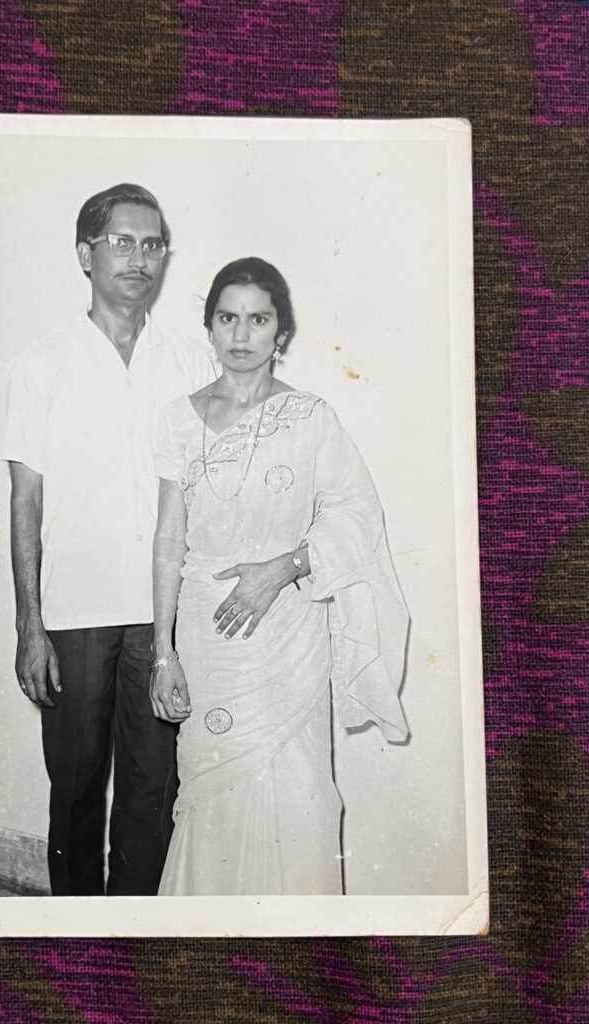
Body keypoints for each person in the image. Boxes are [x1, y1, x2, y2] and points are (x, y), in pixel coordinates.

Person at [150, 257, 409, 896]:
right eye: (227, 318)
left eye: (258, 319)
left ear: (280, 335)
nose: (241, 334)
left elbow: (358, 513)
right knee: (212, 789)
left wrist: (285, 568)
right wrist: (163, 655)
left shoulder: (312, 418)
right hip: (210, 637)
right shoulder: (177, 419)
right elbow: (168, 540)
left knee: (298, 793)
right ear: (209, 327)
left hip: (290, 630)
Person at [2, 183, 214, 896]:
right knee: (77, 788)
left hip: (162, 618)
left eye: (153, 244)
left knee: (153, 792)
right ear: (84, 254)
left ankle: (134, 945)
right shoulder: (41, 364)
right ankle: (74, 937)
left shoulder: (191, 365)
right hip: (73, 618)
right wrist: (31, 626)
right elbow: (24, 501)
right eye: (122, 241)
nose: (140, 258)